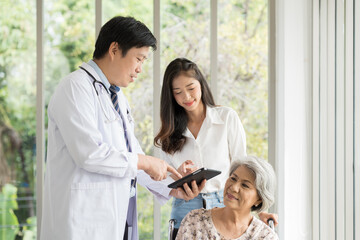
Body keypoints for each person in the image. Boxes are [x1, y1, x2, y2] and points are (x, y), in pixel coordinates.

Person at [40, 16, 201, 240]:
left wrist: (172, 185)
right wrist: (145, 162)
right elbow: (89, 154)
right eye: (139, 58)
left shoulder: (116, 96)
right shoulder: (75, 87)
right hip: (82, 224)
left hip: (117, 219)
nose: (140, 69)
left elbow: (131, 156)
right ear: (114, 49)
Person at [154, 58, 278, 237]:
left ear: (201, 85)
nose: (187, 97)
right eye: (178, 92)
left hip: (225, 201)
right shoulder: (168, 133)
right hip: (185, 205)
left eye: (191, 88)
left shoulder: (227, 118)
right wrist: (179, 178)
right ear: (171, 95)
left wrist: (257, 211)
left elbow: (244, 171)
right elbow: (162, 181)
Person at [176, 156, 279, 239]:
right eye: (233, 178)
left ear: (259, 199)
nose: (233, 187)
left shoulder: (266, 236)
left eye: (245, 185)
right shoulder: (195, 220)